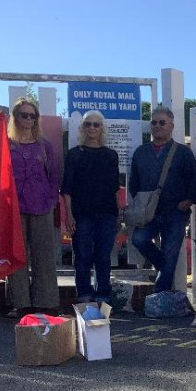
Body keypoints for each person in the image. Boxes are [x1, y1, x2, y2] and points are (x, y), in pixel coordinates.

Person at [129, 106, 196, 293]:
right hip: (148, 212)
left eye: (162, 122)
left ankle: (160, 296)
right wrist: (142, 203)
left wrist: (189, 201)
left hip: (175, 211)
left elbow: (194, 179)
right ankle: (163, 267)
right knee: (139, 240)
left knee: (171, 252)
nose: (157, 126)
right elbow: (133, 182)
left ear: (171, 126)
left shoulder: (183, 152)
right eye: (154, 122)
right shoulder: (141, 152)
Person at [5, 98, 61, 317]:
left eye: (32, 115)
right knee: (18, 255)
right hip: (14, 206)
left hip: (41, 204)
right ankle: (20, 302)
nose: (28, 119)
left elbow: (54, 176)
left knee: (44, 254)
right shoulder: (7, 144)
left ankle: (46, 301)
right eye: (24, 115)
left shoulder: (44, 146)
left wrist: (50, 199)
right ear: (15, 117)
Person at [61, 111, 120, 303]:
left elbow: (114, 188)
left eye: (96, 124)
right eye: (88, 124)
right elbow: (67, 188)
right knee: (83, 257)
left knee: (103, 257)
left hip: (107, 213)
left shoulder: (111, 155)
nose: (92, 128)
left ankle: (103, 295)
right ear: (82, 128)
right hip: (82, 213)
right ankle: (84, 295)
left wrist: (118, 214)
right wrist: (69, 215)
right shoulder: (75, 154)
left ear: (102, 128)